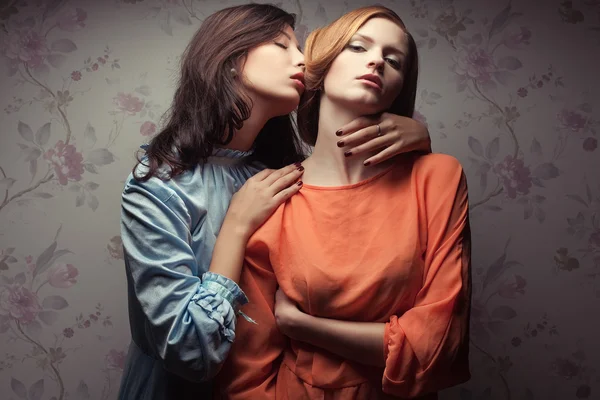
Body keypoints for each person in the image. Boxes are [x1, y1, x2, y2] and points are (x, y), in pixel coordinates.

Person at [117, 4, 432, 400]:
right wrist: (237, 225)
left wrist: (416, 138)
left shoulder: (283, 174)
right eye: (283, 45)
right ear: (231, 58)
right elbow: (191, 355)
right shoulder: (159, 186)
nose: (302, 59)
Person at [216, 5, 471, 400]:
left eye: (393, 59)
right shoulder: (272, 197)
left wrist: (303, 325)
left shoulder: (437, 178)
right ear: (317, 69)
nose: (376, 61)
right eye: (357, 47)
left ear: (400, 86)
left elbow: (440, 345)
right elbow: (247, 374)